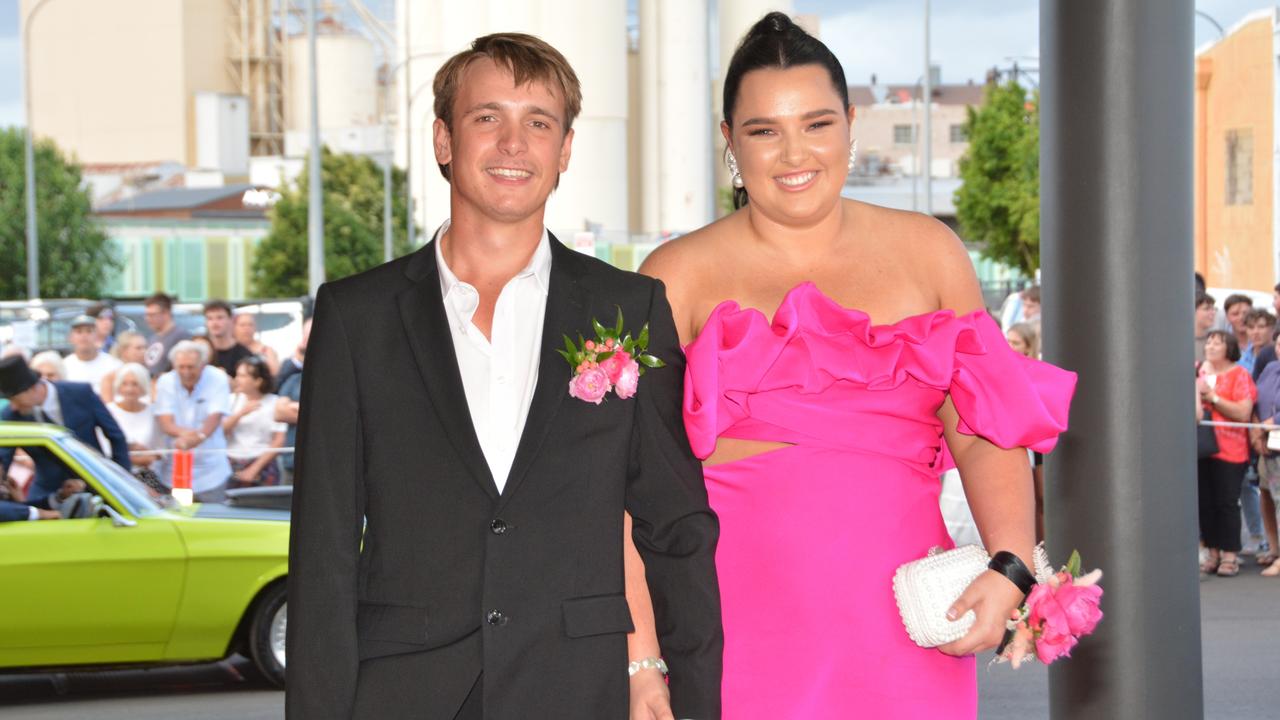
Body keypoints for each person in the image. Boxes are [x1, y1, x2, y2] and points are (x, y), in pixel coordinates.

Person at [631, 14, 1074, 718]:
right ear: (729, 141)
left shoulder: (929, 252)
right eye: (763, 130)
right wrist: (642, 658)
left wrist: (1010, 563)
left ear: (850, 123)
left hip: (904, 621)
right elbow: (630, 489)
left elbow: (984, 424)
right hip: (728, 622)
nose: (793, 152)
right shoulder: (674, 276)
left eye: (816, 124)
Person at [286, 33, 722, 720]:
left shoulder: (627, 309)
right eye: (488, 117)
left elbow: (676, 528)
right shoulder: (355, 316)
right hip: (402, 691)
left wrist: (693, 699)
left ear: (566, 151)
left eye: (539, 123)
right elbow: (323, 549)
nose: (514, 144)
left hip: (581, 688)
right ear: (443, 139)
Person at [0, 355, 131, 506]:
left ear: (31, 389)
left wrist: (119, 482)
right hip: (47, 493)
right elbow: (4, 457)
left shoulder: (81, 393)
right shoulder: (11, 414)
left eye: (14, 399)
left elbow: (116, 436)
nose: (13, 406)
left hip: (96, 486)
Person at [1197, 330, 1256, 577]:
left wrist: (1213, 398)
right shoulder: (1199, 370)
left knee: (1226, 502)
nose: (1210, 346)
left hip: (1231, 449)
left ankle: (1230, 554)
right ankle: (1212, 551)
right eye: (1209, 341)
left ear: (1229, 347)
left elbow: (1243, 412)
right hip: (1202, 447)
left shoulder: (1239, 374)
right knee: (1205, 502)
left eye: (1217, 342)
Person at [154, 340, 232, 503]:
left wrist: (199, 437)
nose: (186, 372)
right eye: (181, 367)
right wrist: (188, 435)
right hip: (174, 470)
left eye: (191, 367)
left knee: (213, 521)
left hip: (212, 471)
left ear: (203, 365)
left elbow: (215, 416)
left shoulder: (217, 378)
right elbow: (166, 422)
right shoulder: (166, 381)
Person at [223, 356, 285, 488]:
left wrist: (254, 469)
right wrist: (240, 414)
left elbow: (279, 440)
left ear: (258, 381)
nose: (237, 379)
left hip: (262, 463)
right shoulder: (230, 400)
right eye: (237, 375)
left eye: (243, 376)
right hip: (231, 461)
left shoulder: (274, 402)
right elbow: (221, 431)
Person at [1250, 328, 1280, 576]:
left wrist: (1275, 420)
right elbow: (1255, 397)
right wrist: (1257, 428)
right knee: (1266, 495)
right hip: (1266, 444)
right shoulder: (1270, 368)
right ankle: (1274, 547)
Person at [106, 362, 162, 492]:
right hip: (117, 475)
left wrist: (149, 457)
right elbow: (106, 450)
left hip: (148, 476)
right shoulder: (109, 411)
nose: (129, 389)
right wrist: (137, 458)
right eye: (125, 383)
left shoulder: (153, 411)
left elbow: (161, 449)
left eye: (135, 384)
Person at [63, 314, 122, 391]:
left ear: (97, 336)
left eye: (89, 331)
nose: (84, 336)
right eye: (79, 332)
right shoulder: (63, 367)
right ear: (70, 338)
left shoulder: (114, 365)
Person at [142, 293, 191, 377]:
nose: (147, 319)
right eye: (146, 315)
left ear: (166, 313)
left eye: (152, 315)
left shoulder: (181, 337)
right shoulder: (152, 338)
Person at [204, 300, 253, 376]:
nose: (214, 323)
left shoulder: (244, 355)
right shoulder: (200, 353)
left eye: (220, 318)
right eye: (210, 318)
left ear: (231, 320)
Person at [100, 330, 148, 402]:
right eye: (139, 348)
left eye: (145, 347)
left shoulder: (149, 371)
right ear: (124, 351)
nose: (144, 351)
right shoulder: (111, 370)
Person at [233, 311, 281, 377]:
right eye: (242, 325)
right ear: (234, 327)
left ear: (255, 327)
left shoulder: (266, 351)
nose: (247, 328)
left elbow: (275, 373)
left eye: (250, 325)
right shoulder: (229, 349)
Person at [274, 317, 311, 391]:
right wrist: (297, 361)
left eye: (309, 335)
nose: (305, 339)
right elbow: (277, 387)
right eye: (304, 334)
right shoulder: (291, 362)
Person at [1223, 293, 1254, 373]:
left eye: (1245, 313)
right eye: (1235, 314)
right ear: (1227, 317)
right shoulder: (1221, 341)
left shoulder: (1264, 339)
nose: (1241, 318)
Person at [1195, 291, 1216, 364]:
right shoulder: (1179, 342)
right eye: (1206, 309)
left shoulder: (1216, 340)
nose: (1213, 312)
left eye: (1213, 309)